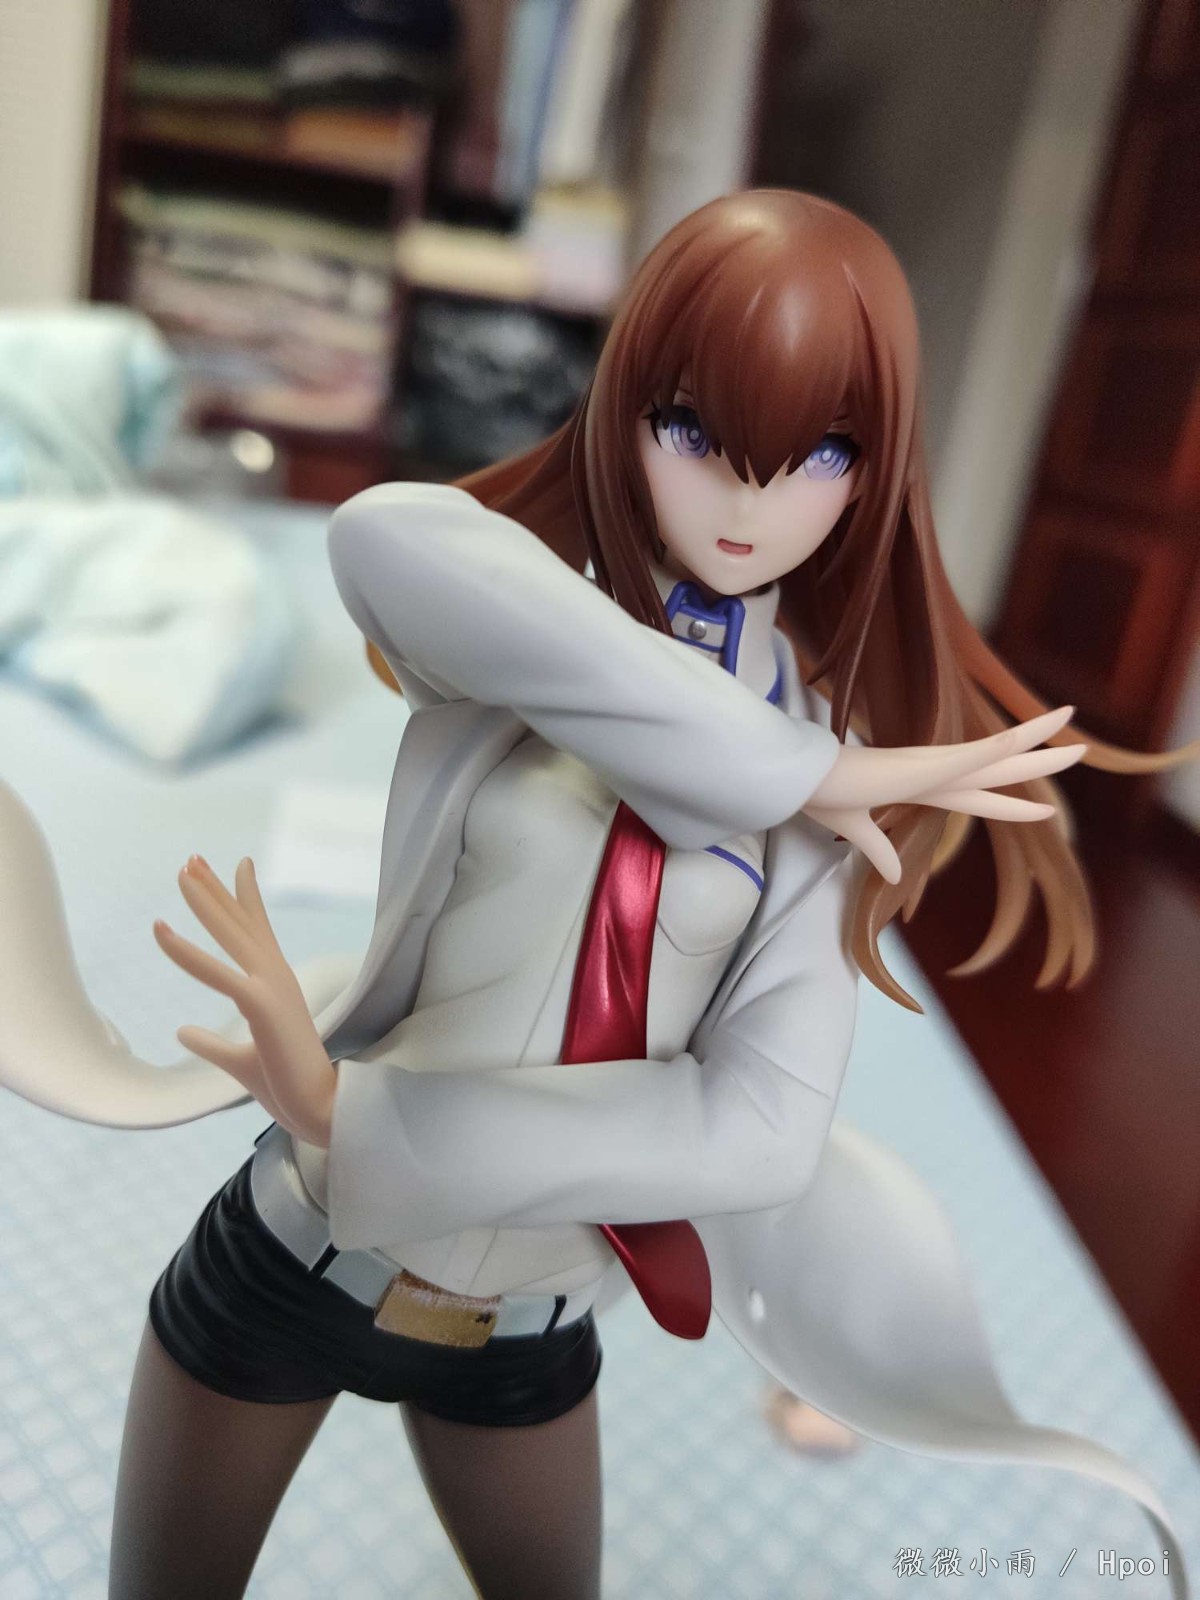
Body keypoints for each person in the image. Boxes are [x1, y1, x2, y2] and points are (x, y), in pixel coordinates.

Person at [0, 191, 1190, 1600]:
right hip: (290, 1262)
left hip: (525, 1335)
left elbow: (755, 1133)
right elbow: (380, 536)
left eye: (819, 453)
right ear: (625, 411)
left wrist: (355, 1115)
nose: (747, 502)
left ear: (873, 477)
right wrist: (786, 769)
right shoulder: (529, 633)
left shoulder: (843, 810)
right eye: (692, 430)